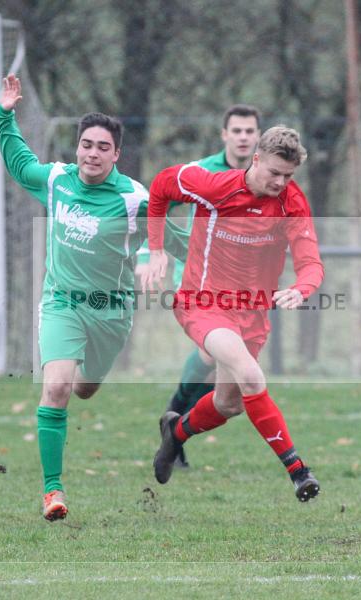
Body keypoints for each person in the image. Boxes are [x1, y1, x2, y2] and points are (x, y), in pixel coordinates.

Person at [0, 75, 187, 522]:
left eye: (103, 147)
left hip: (111, 312)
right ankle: (53, 491)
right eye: (86, 144)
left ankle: (87, 380)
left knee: (84, 388)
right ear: (77, 147)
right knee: (57, 387)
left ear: (116, 154)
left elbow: (176, 242)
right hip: (62, 302)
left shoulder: (133, 199)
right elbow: (21, 163)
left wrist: (159, 258)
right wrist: (4, 116)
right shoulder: (58, 180)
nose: (92, 153)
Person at [145, 125, 324, 502]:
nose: (280, 182)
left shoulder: (292, 202)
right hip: (204, 303)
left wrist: (301, 288)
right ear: (255, 159)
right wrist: (157, 248)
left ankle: (175, 433)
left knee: (229, 404)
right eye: (274, 172)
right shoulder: (213, 187)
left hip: (252, 314)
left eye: (288, 176)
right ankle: (298, 471)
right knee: (251, 376)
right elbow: (161, 186)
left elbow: (312, 264)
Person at [138, 104, 262, 469]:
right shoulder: (202, 172)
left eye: (249, 131)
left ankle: (173, 426)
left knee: (227, 377)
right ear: (224, 135)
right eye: (236, 130)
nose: (242, 137)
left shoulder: (266, 175)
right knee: (213, 356)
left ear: (257, 136)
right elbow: (156, 202)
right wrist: (151, 252)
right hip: (198, 282)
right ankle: (175, 420)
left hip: (242, 287)